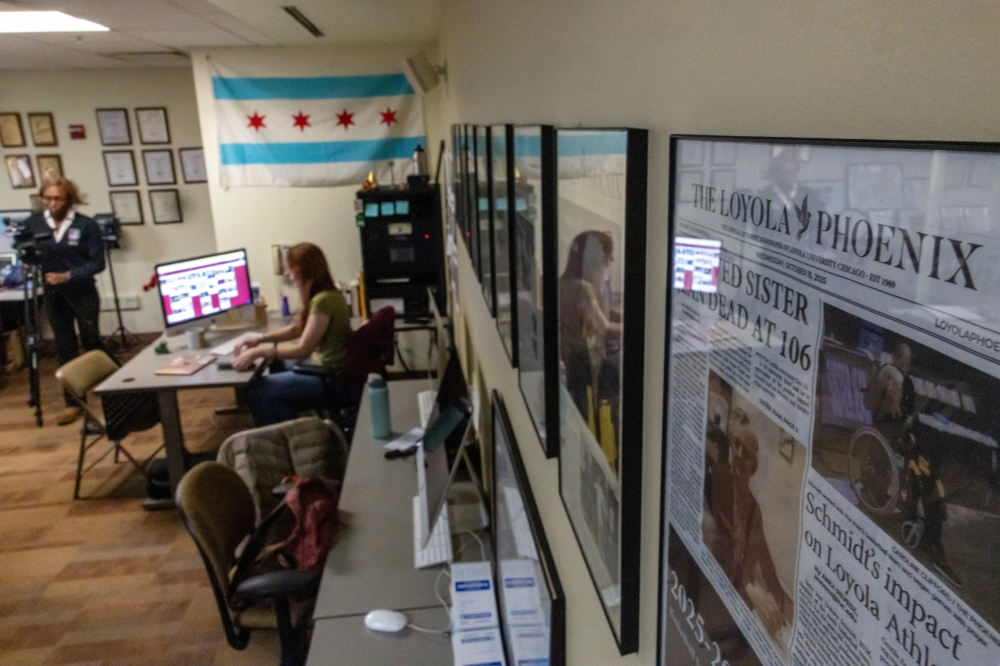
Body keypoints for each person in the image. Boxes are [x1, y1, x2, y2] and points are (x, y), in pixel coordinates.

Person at [233, 243, 351, 427]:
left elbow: (304, 348)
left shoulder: (323, 300)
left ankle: (287, 437)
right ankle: (289, 422)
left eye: (290, 267)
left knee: (259, 391)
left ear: (303, 270)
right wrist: (259, 340)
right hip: (327, 369)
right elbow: (297, 329)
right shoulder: (327, 294)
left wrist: (259, 352)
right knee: (280, 365)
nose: (288, 273)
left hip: (330, 378)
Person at [21, 176, 107, 425]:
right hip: (53, 294)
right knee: (65, 345)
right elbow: (27, 254)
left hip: (82, 291)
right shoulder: (34, 223)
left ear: (69, 199)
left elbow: (97, 263)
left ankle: (105, 390)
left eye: (58, 198)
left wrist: (68, 276)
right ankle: (73, 402)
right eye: (47, 198)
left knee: (92, 340)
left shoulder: (86, 225)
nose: (53, 203)